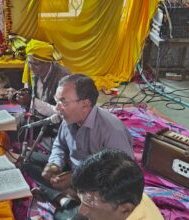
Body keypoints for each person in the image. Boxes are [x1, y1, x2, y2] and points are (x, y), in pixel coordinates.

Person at [23, 74, 133, 216]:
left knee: (65, 216)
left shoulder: (112, 130)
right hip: (72, 173)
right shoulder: (68, 118)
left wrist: (77, 179)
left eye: (63, 102)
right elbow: (59, 145)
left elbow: (120, 176)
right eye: (57, 101)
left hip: (95, 187)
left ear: (85, 104)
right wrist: (55, 164)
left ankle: (65, 199)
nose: (57, 108)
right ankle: (64, 197)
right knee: (27, 159)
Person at [72, 149, 163, 220]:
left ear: (125, 209)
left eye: (89, 203)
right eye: (82, 201)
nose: (81, 210)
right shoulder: (128, 192)